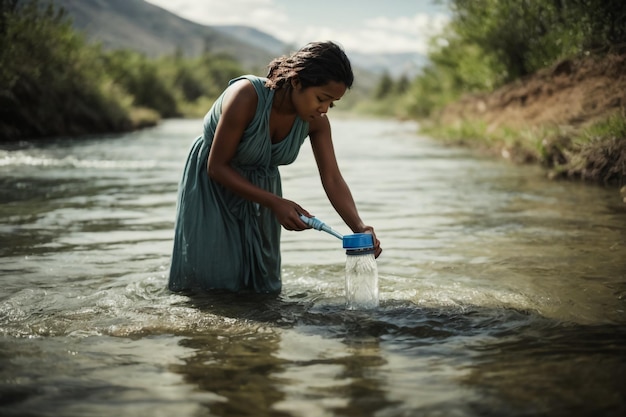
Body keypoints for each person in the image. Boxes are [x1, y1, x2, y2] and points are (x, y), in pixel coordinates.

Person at [168, 40, 382, 294]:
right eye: (321, 98)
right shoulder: (246, 95)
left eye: (332, 103)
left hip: (263, 191)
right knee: (212, 283)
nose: (324, 109)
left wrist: (358, 226)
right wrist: (275, 203)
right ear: (296, 82)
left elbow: (333, 178)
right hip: (212, 185)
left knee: (262, 288)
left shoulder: (317, 122)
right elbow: (217, 166)